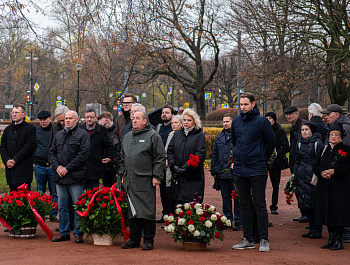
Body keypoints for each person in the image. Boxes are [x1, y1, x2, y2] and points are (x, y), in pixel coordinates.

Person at [231, 92, 275, 252]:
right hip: (240, 169)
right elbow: (236, 143)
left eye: (245, 104)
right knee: (244, 204)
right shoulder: (236, 121)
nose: (243, 107)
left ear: (253, 104)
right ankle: (248, 238)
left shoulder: (262, 121)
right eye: (241, 104)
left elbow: (270, 143)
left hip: (257, 169)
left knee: (260, 204)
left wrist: (260, 158)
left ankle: (263, 239)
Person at [119, 112, 166, 250]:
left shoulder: (153, 136)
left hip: (145, 179)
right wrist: (122, 174)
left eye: (137, 118)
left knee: (146, 210)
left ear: (145, 121)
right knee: (132, 210)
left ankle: (148, 240)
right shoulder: (127, 137)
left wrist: (157, 176)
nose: (134, 121)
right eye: (133, 118)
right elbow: (122, 158)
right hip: (129, 180)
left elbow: (160, 158)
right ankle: (134, 239)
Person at [49, 110, 90, 243]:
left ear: (77, 119)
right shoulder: (59, 135)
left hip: (76, 176)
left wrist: (67, 168)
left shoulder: (82, 135)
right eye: (66, 118)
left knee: (77, 205)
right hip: (60, 176)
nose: (67, 120)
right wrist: (57, 167)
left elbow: (83, 155)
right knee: (62, 206)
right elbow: (51, 153)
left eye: (70, 118)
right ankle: (64, 232)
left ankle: (78, 233)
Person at [313, 123, 350, 250]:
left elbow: (348, 167)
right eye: (331, 134)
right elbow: (316, 165)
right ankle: (331, 237)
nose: (333, 137)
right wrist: (321, 172)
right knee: (327, 212)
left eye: (336, 135)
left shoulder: (346, 150)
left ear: (341, 137)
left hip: (339, 188)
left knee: (337, 213)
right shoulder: (324, 149)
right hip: (324, 186)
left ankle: (339, 239)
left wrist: (335, 171)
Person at [321, 104, 350, 242]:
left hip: (342, 177)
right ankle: (335, 236)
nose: (326, 117)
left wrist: (335, 170)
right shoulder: (337, 126)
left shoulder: (345, 128)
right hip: (331, 177)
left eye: (328, 114)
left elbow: (345, 154)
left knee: (341, 205)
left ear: (337, 115)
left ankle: (344, 233)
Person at [167, 108, 206, 205]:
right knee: (178, 203)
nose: (186, 122)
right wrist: (173, 166)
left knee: (192, 203)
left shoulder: (199, 135)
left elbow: (200, 154)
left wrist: (187, 168)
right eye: (184, 120)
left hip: (193, 177)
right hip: (178, 176)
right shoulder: (177, 134)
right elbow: (170, 151)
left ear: (194, 121)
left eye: (189, 120)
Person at [211, 113, 242, 231]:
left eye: (227, 121)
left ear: (233, 122)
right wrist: (213, 169)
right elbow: (214, 154)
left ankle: (239, 221)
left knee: (237, 197)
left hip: (235, 173)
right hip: (222, 173)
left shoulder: (238, 136)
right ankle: (228, 219)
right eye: (224, 122)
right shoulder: (219, 137)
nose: (225, 124)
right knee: (225, 198)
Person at [294, 123, 324, 239]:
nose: (304, 132)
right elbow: (297, 159)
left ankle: (317, 229)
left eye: (307, 129)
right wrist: (296, 172)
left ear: (312, 131)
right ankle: (312, 228)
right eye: (302, 130)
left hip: (313, 177)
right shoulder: (300, 143)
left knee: (315, 203)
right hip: (302, 177)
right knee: (307, 203)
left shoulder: (318, 144)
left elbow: (320, 161)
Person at [0, 104, 36, 191]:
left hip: (24, 170)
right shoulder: (8, 130)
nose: (14, 114)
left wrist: (15, 160)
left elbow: (29, 147)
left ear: (23, 114)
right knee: (12, 200)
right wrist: (6, 160)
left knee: (24, 199)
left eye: (16, 112)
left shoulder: (30, 129)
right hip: (11, 171)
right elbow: (3, 147)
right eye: (12, 113)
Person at [284, 105, 308, 222]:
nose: (288, 116)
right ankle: (304, 212)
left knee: (303, 188)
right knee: (298, 188)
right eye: (287, 115)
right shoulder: (294, 126)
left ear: (297, 114)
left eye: (291, 114)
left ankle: (307, 213)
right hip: (294, 162)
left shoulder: (302, 125)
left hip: (301, 163)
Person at [34, 110, 58, 221]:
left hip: (52, 166)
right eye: (41, 120)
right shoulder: (36, 132)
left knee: (54, 191)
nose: (43, 122)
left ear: (50, 118)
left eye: (45, 119)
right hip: (39, 165)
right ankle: (41, 213)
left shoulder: (55, 131)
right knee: (40, 191)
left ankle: (53, 214)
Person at [265, 112, 290, 215]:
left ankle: (274, 206)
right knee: (260, 185)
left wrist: (276, 154)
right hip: (263, 161)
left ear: (274, 120)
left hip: (276, 162)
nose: (268, 120)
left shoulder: (280, 130)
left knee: (275, 185)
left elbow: (286, 147)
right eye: (266, 118)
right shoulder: (262, 130)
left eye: (270, 118)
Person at [84, 109, 114, 189]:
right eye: (87, 117)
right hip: (81, 168)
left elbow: (108, 146)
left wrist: (109, 157)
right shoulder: (80, 129)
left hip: (95, 168)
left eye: (91, 117)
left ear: (96, 117)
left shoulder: (102, 130)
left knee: (94, 193)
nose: (89, 119)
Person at [156, 104, 175, 223]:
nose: (164, 115)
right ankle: (165, 214)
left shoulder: (174, 128)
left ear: (172, 115)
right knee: (162, 190)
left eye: (167, 113)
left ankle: (171, 214)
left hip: (170, 164)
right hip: (160, 163)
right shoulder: (158, 128)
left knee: (170, 191)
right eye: (163, 113)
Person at [164, 115, 183, 215]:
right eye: (172, 123)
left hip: (179, 168)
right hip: (169, 168)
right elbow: (167, 150)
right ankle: (170, 217)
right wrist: (166, 159)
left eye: (176, 123)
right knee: (169, 194)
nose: (173, 125)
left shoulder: (183, 135)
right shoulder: (171, 134)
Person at [98, 111, 117, 187]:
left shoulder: (116, 130)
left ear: (107, 121)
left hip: (114, 165)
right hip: (104, 166)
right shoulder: (102, 131)